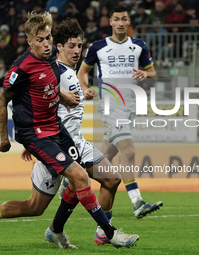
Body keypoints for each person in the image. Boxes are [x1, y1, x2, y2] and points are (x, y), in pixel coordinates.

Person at [0, 12, 139, 249]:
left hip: (56, 130)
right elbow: (3, 101)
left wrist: (63, 98)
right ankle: (109, 232)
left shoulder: (51, 61)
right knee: (79, 178)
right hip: (38, 136)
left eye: (48, 38)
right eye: (41, 39)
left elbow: (48, 86)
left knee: (39, 205)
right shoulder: (21, 68)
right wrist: (6, 141)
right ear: (30, 41)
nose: (46, 44)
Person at [19, 18, 124, 247]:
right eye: (72, 46)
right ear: (59, 47)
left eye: (80, 46)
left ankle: (95, 230)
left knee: (112, 179)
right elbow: (31, 101)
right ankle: (100, 230)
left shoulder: (70, 72)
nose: (77, 51)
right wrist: (31, 142)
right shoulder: (52, 71)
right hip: (59, 145)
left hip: (78, 143)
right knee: (36, 206)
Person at [77, 5, 163, 219]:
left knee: (106, 156)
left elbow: (153, 72)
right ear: (111, 22)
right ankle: (137, 202)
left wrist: (145, 73)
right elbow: (82, 72)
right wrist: (85, 88)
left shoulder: (139, 46)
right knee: (129, 151)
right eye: (117, 19)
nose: (121, 23)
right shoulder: (98, 47)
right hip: (110, 106)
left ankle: (72, 183)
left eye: (124, 19)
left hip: (128, 107)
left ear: (128, 22)